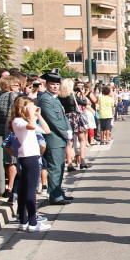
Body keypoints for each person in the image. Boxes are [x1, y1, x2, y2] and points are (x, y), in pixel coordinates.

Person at [10, 96, 50, 232]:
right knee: (30, 190)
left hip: (31, 156)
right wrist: (30, 114)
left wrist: (38, 115)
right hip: (28, 157)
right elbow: (31, 126)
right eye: (30, 106)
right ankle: (32, 222)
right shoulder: (17, 121)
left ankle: (24, 220)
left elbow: (46, 130)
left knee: (24, 189)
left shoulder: (26, 120)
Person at [38, 69, 75, 206]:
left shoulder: (54, 98)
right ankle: (55, 195)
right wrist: (66, 133)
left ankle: (58, 191)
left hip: (59, 138)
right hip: (53, 138)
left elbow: (63, 118)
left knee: (59, 167)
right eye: (52, 84)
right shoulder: (45, 99)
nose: (55, 86)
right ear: (47, 84)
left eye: (57, 84)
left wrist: (69, 131)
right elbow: (54, 120)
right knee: (55, 168)